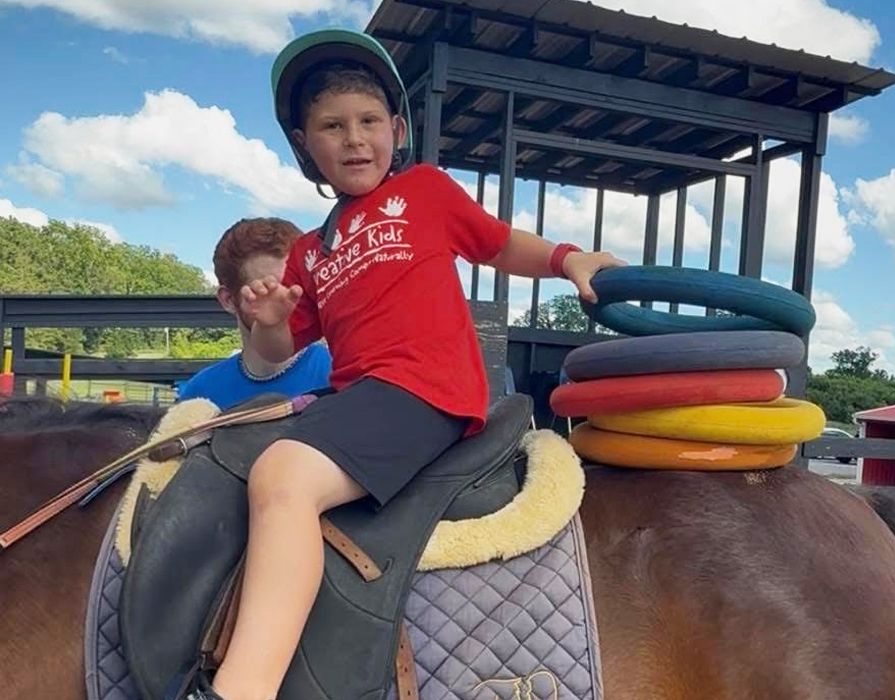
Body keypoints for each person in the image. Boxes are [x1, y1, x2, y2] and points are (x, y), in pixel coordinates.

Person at [188, 29, 626, 700]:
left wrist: (569, 259)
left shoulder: (423, 190)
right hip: (360, 399)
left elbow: (497, 244)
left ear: (396, 130)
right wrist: (270, 322)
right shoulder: (309, 251)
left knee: (284, 476)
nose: (354, 139)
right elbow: (281, 351)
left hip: (424, 389)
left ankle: (243, 687)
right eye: (332, 126)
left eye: (368, 121)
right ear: (306, 145)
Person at [176, 218, 332, 410]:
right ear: (228, 300)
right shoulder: (198, 397)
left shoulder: (341, 375)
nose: (288, 299)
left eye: (297, 284)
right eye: (267, 290)